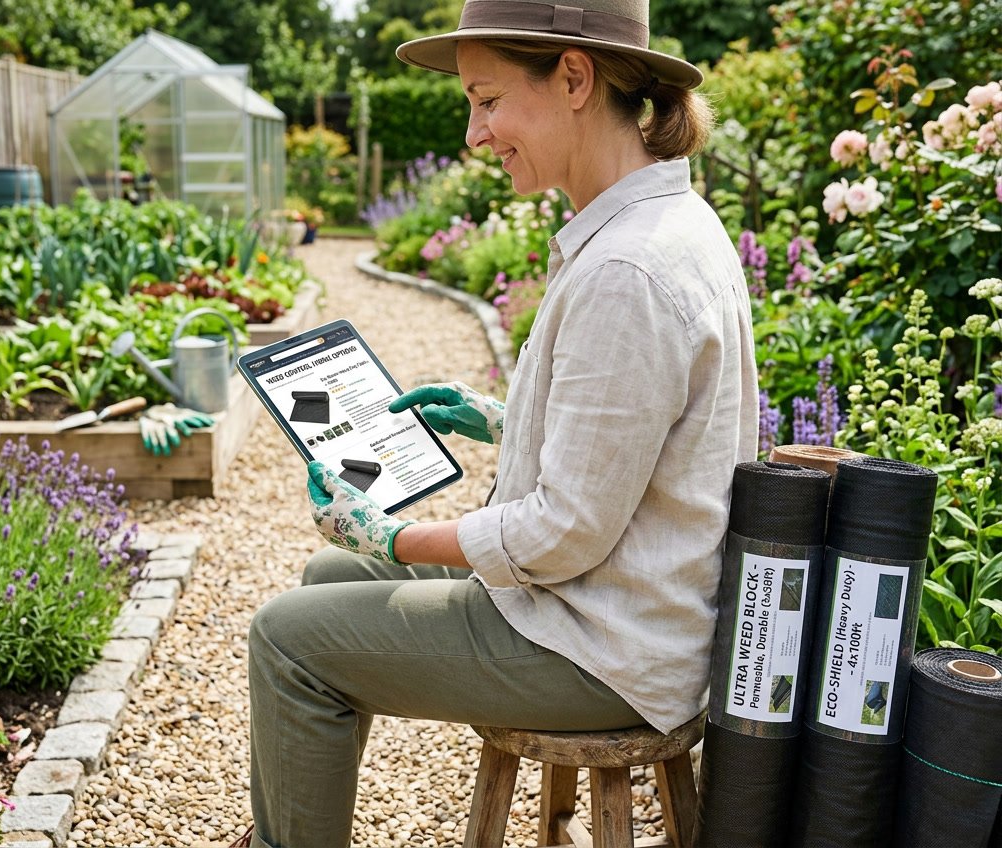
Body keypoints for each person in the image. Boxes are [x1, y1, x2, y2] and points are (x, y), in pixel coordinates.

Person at [240, 0, 758, 845]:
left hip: (604, 646)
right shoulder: (663, 222)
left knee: (287, 642)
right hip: (620, 607)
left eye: (485, 99)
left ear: (576, 77)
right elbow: (635, 441)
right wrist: (500, 416)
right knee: (325, 580)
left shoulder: (628, 267)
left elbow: (563, 533)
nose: (475, 135)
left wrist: (390, 536)